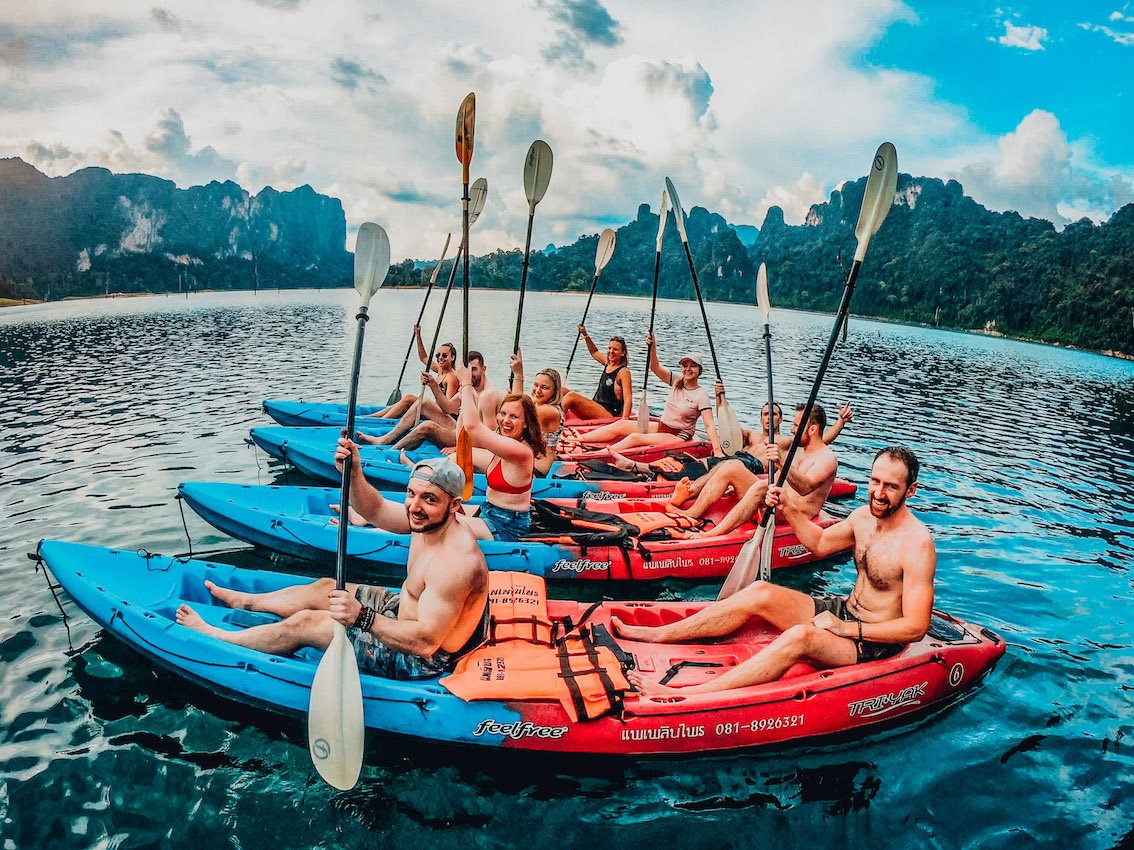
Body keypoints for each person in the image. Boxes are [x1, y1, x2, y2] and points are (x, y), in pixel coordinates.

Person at [613, 447, 934, 694]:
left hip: (874, 639)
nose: (878, 493)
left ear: (911, 491)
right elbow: (820, 542)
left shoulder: (916, 544)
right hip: (847, 611)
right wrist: (789, 509)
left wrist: (847, 630)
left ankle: (692, 693)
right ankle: (656, 634)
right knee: (759, 592)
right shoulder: (863, 517)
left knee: (801, 637)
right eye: (875, 481)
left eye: (890, 486)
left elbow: (916, 627)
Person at [176, 457, 491, 681]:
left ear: (454, 506)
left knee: (308, 623)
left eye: (429, 499)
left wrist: (361, 617)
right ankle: (247, 601)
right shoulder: (426, 521)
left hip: (424, 657)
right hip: (407, 613)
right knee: (326, 588)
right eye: (411, 494)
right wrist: (354, 472)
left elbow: (426, 642)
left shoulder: (454, 564)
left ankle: (218, 636)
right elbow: (375, 508)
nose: (415, 506)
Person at [668, 402, 838, 538]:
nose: (792, 430)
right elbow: (777, 480)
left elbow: (805, 488)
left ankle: (710, 535)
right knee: (732, 466)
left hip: (793, 514)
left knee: (760, 488)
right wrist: (739, 483)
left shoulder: (827, 459)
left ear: (813, 429)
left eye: (796, 426)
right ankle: (691, 513)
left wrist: (780, 461)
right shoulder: (800, 450)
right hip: (774, 503)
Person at [559, 332, 723, 456]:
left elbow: (709, 424)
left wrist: (717, 450)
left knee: (635, 438)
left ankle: (595, 454)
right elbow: (655, 367)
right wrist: (652, 347)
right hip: (661, 426)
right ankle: (578, 440)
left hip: (678, 435)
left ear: (699, 370)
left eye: (692, 366)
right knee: (621, 425)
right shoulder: (676, 380)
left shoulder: (701, 395)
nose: (688, 369)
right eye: (685, 365)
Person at [453, 363, 546, 542]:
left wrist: (466, 383)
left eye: (514, 417)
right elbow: (463, 437)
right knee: (443, 505)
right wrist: (467, 397)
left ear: (526, 423)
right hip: (489, 510)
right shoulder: (504, 440)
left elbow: (473, 427)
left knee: (441, 520)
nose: (505, 420)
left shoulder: (521, 452)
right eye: (502, 414)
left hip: (507, 526)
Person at [360, 351, 503, 451]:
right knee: (423, 402)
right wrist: (433, 385)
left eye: (475, 370)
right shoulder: (468, 385)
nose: (470, 374)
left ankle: (390, 452)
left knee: (427, 427)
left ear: (484, 369)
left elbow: (489, 439)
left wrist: (457, 448)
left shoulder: (488, 396)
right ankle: (383, 439)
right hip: (460, 429)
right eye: (467, 370)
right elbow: (447, 408)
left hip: (469, 441)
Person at [365, 333, 460, 421]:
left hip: (441, 416)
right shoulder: (440, 369)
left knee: (410, 399)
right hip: (435, 409)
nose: (440, 358)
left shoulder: (451, 377)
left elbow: (448, 409)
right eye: (438, 355)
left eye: (444, 355)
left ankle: (382, 421)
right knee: (409, 398)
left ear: (452, 357)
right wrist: (418, 336)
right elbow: (424, 357)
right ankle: (374, 417)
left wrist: (430, 400)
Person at [510, 350, 564, 475]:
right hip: (527, 459)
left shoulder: (550, 411)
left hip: (537, 467)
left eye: (544, 387)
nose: (538, 390)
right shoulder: (538, 405)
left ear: (554, 391)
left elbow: (516, 409)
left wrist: (518, 374)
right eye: (536, 385)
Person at [561, 327, 633, 420]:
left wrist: (624, 420)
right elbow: (594, 352)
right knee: (560, 390)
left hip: (609, 414)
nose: (611, 352)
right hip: (596, 406)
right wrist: (585, 335)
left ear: (623, 353)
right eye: (609, 348)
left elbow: (628, 398)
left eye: (615, 349)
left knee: (571, 397)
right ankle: (540, 413)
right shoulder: (608, 364)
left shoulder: (623, 372)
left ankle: (554, 421)